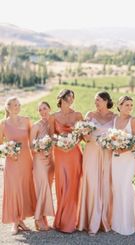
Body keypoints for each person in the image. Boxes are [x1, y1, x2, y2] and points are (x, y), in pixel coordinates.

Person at [78, 91, 115, 235]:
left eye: (98, 100)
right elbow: (85, 137)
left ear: (106, 101)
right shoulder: (90, 115)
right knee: (92, 184)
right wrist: (85, 134)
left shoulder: (114, 117)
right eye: (95, 100)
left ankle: (104, 219)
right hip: (91, 151)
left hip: (107, 153)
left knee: (106, 184)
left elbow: (118, 136)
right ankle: (90, 221)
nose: (96, 103)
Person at [0, 97, 36, 235]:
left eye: (18, 104)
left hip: (26, 160)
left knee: (24, 189)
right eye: (14, 105)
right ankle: (15, 221)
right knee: (14, 189)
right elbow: (0, 144)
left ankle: (21, 219)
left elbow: (32, 143)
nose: (17, 107)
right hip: (11, 161)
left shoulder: (27, 120)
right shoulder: (3, 124)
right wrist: (9, 153)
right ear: (8, 107)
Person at [49, 89, 83, 233]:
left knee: (73, 185)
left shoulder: (78, 115)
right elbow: (51, 135)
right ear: (61, 98)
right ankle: (61, 219)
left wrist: (73, 142)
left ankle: (70, 222)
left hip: (74, 152)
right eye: (68, 96)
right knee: (62, 185)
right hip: (60, 152)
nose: (71, 99)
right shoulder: (53, 116)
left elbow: (82, 135)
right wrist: (60, 143)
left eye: (72, 97)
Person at [111, 96, 135, 235]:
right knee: (116, 187)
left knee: (126, 186)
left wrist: (123, 149)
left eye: (131, 105)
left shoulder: (133, 120)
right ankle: (116, 222)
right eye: (127, 105)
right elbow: (111, 138)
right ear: (119, 105)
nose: (129, 107)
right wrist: (112, 146)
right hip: (115, 158)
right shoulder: (115, 119)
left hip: (128, 158)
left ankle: (128, 222)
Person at [30, 101, 55, 231]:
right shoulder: (36, 126)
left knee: (47, 190)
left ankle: (43, 218)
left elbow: (55, 139)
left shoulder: (52, 125)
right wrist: (41, 149)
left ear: (50, 109)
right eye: (40, 110)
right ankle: (37, 218)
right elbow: (31, 146)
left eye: (45, 108)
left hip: (50, 161)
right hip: (39, 160)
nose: (43, 111)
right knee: (42, 187)